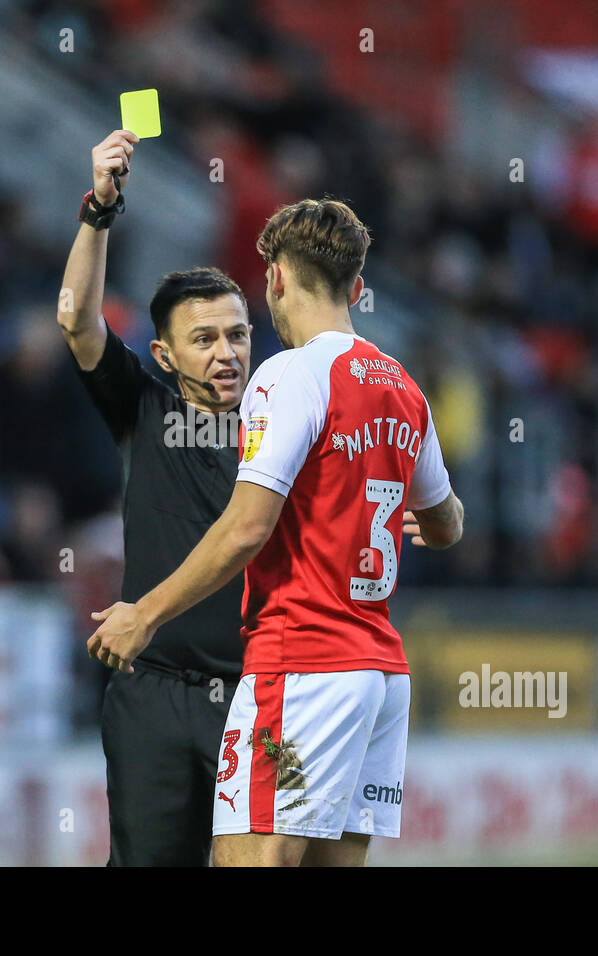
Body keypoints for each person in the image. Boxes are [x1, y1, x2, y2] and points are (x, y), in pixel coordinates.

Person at [87, 198, 464, 867]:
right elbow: (447, 518)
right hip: (379, 672)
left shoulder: (288, 375)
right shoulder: (404, 387)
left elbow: (245, 530)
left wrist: (143, 613)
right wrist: (422, 530)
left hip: (302, 662)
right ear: (357, 289)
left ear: (276, 281)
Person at [58, 129, 253, 865]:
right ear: (166, 355)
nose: (226, 352)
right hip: (155, 696)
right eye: (203, 339)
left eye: (236, 334)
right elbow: (77, 321)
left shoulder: (286, 425)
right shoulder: (145, 410)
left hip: (259, 695)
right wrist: (99, 210)